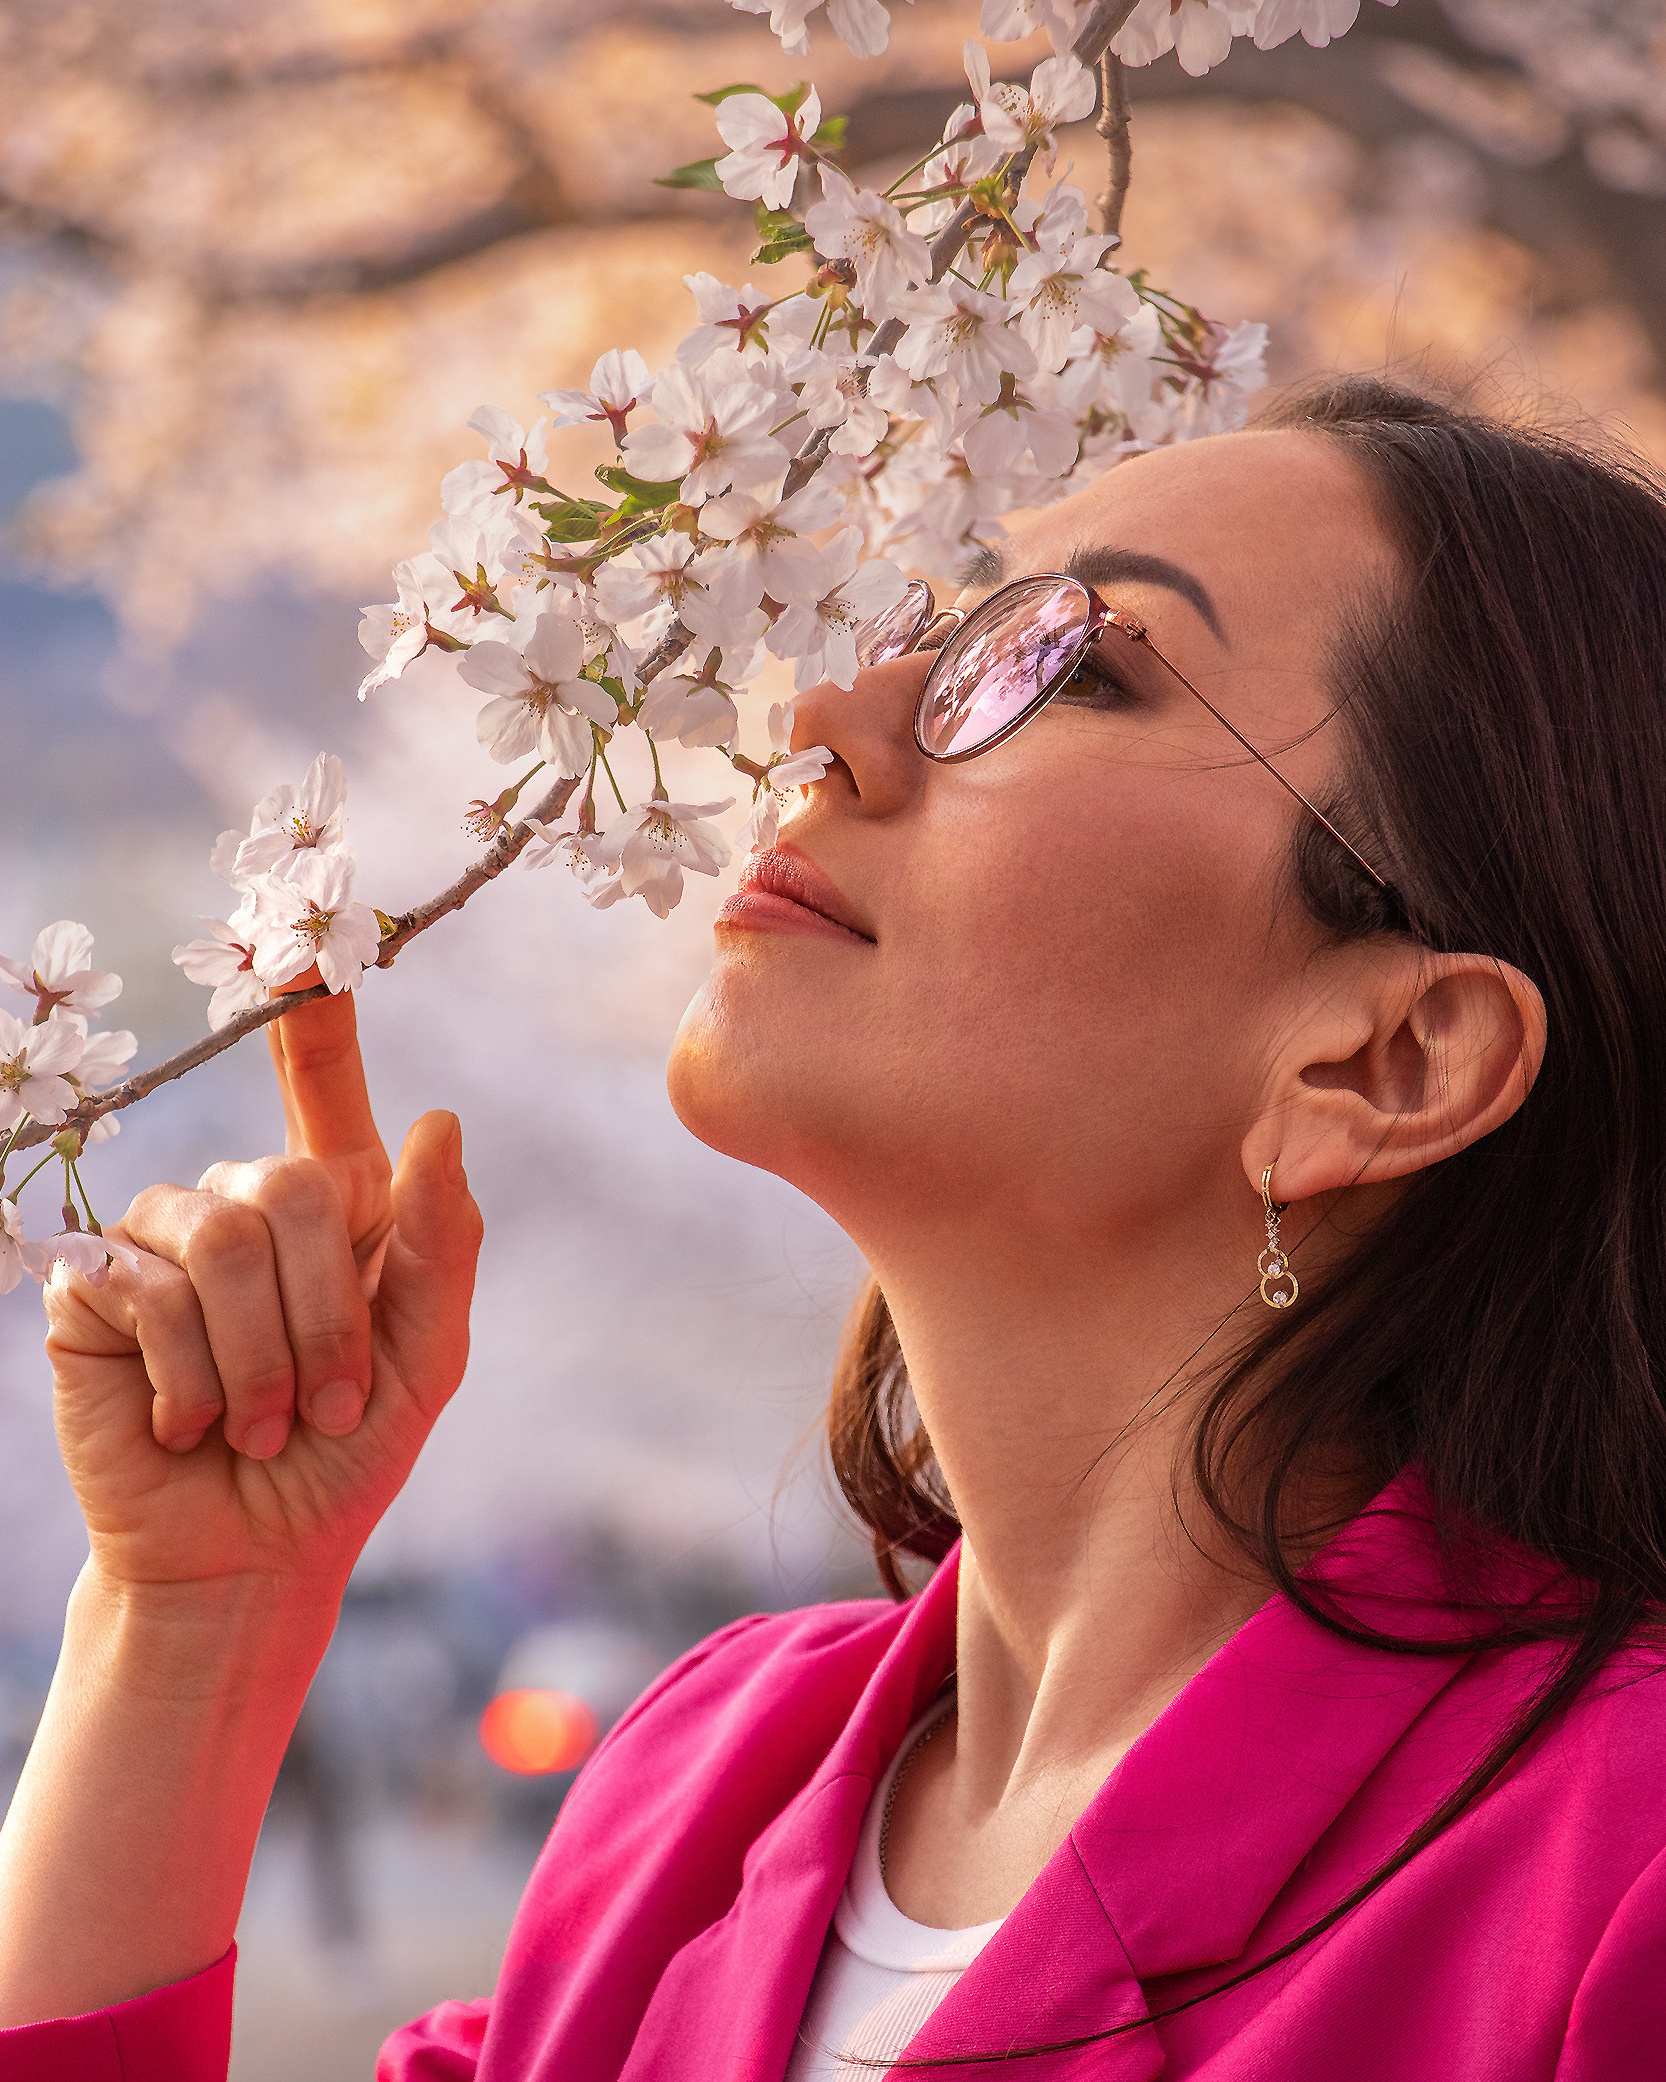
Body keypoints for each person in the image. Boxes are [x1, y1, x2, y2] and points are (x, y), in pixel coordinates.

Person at [2, 374, 1665, 2082]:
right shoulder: (697, 1794)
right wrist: (185, 1626)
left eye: (1069, 667)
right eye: (933, 641)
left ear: (1385, 1061)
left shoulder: (1613, 1887)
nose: (823, 718)